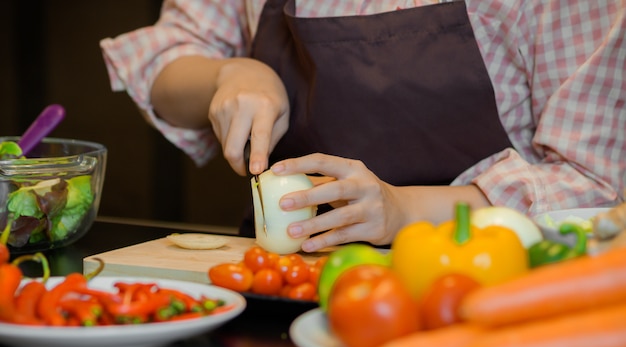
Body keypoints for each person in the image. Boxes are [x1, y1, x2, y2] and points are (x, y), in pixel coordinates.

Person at [100, 0, 626, 253]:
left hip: (491, 289)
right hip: (287, 283)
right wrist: (229, 73)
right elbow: (167, 61)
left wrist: (406, 211)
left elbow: (597, 186)